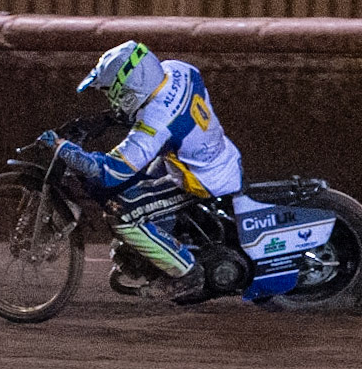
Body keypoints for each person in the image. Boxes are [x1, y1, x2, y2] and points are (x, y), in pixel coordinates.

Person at [38, 40, 243, 303]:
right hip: (216, 157)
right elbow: (157, 108)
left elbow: (112, 172)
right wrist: (105, 120)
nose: (111, 99)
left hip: (199, 179)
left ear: (130, 89)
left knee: (122, 212)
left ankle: (185, 273)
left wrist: (65, 149)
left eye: (113, 93)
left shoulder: (154, 124)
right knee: (144, 179)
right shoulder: (178, 69)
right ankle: (159, 245)